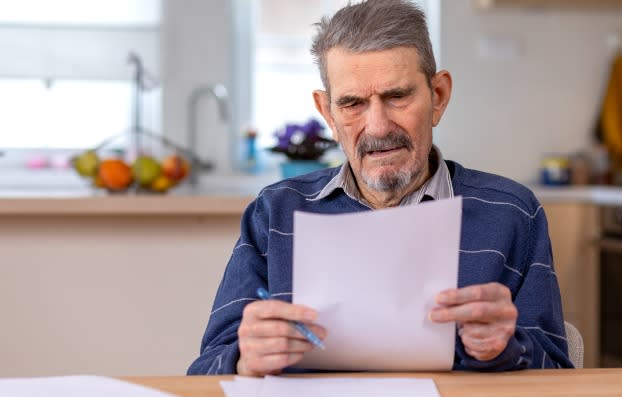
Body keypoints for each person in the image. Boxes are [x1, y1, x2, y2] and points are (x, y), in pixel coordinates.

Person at [188, 0, 572, 376]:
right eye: (353, 103)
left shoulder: (513, 213)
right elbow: (205, 370)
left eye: (397, 96)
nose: (377, 126)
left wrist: (507, 347)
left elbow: (557, 370)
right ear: (328, 114)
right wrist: (243, 358)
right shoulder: (275, 213)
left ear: (438, 96)